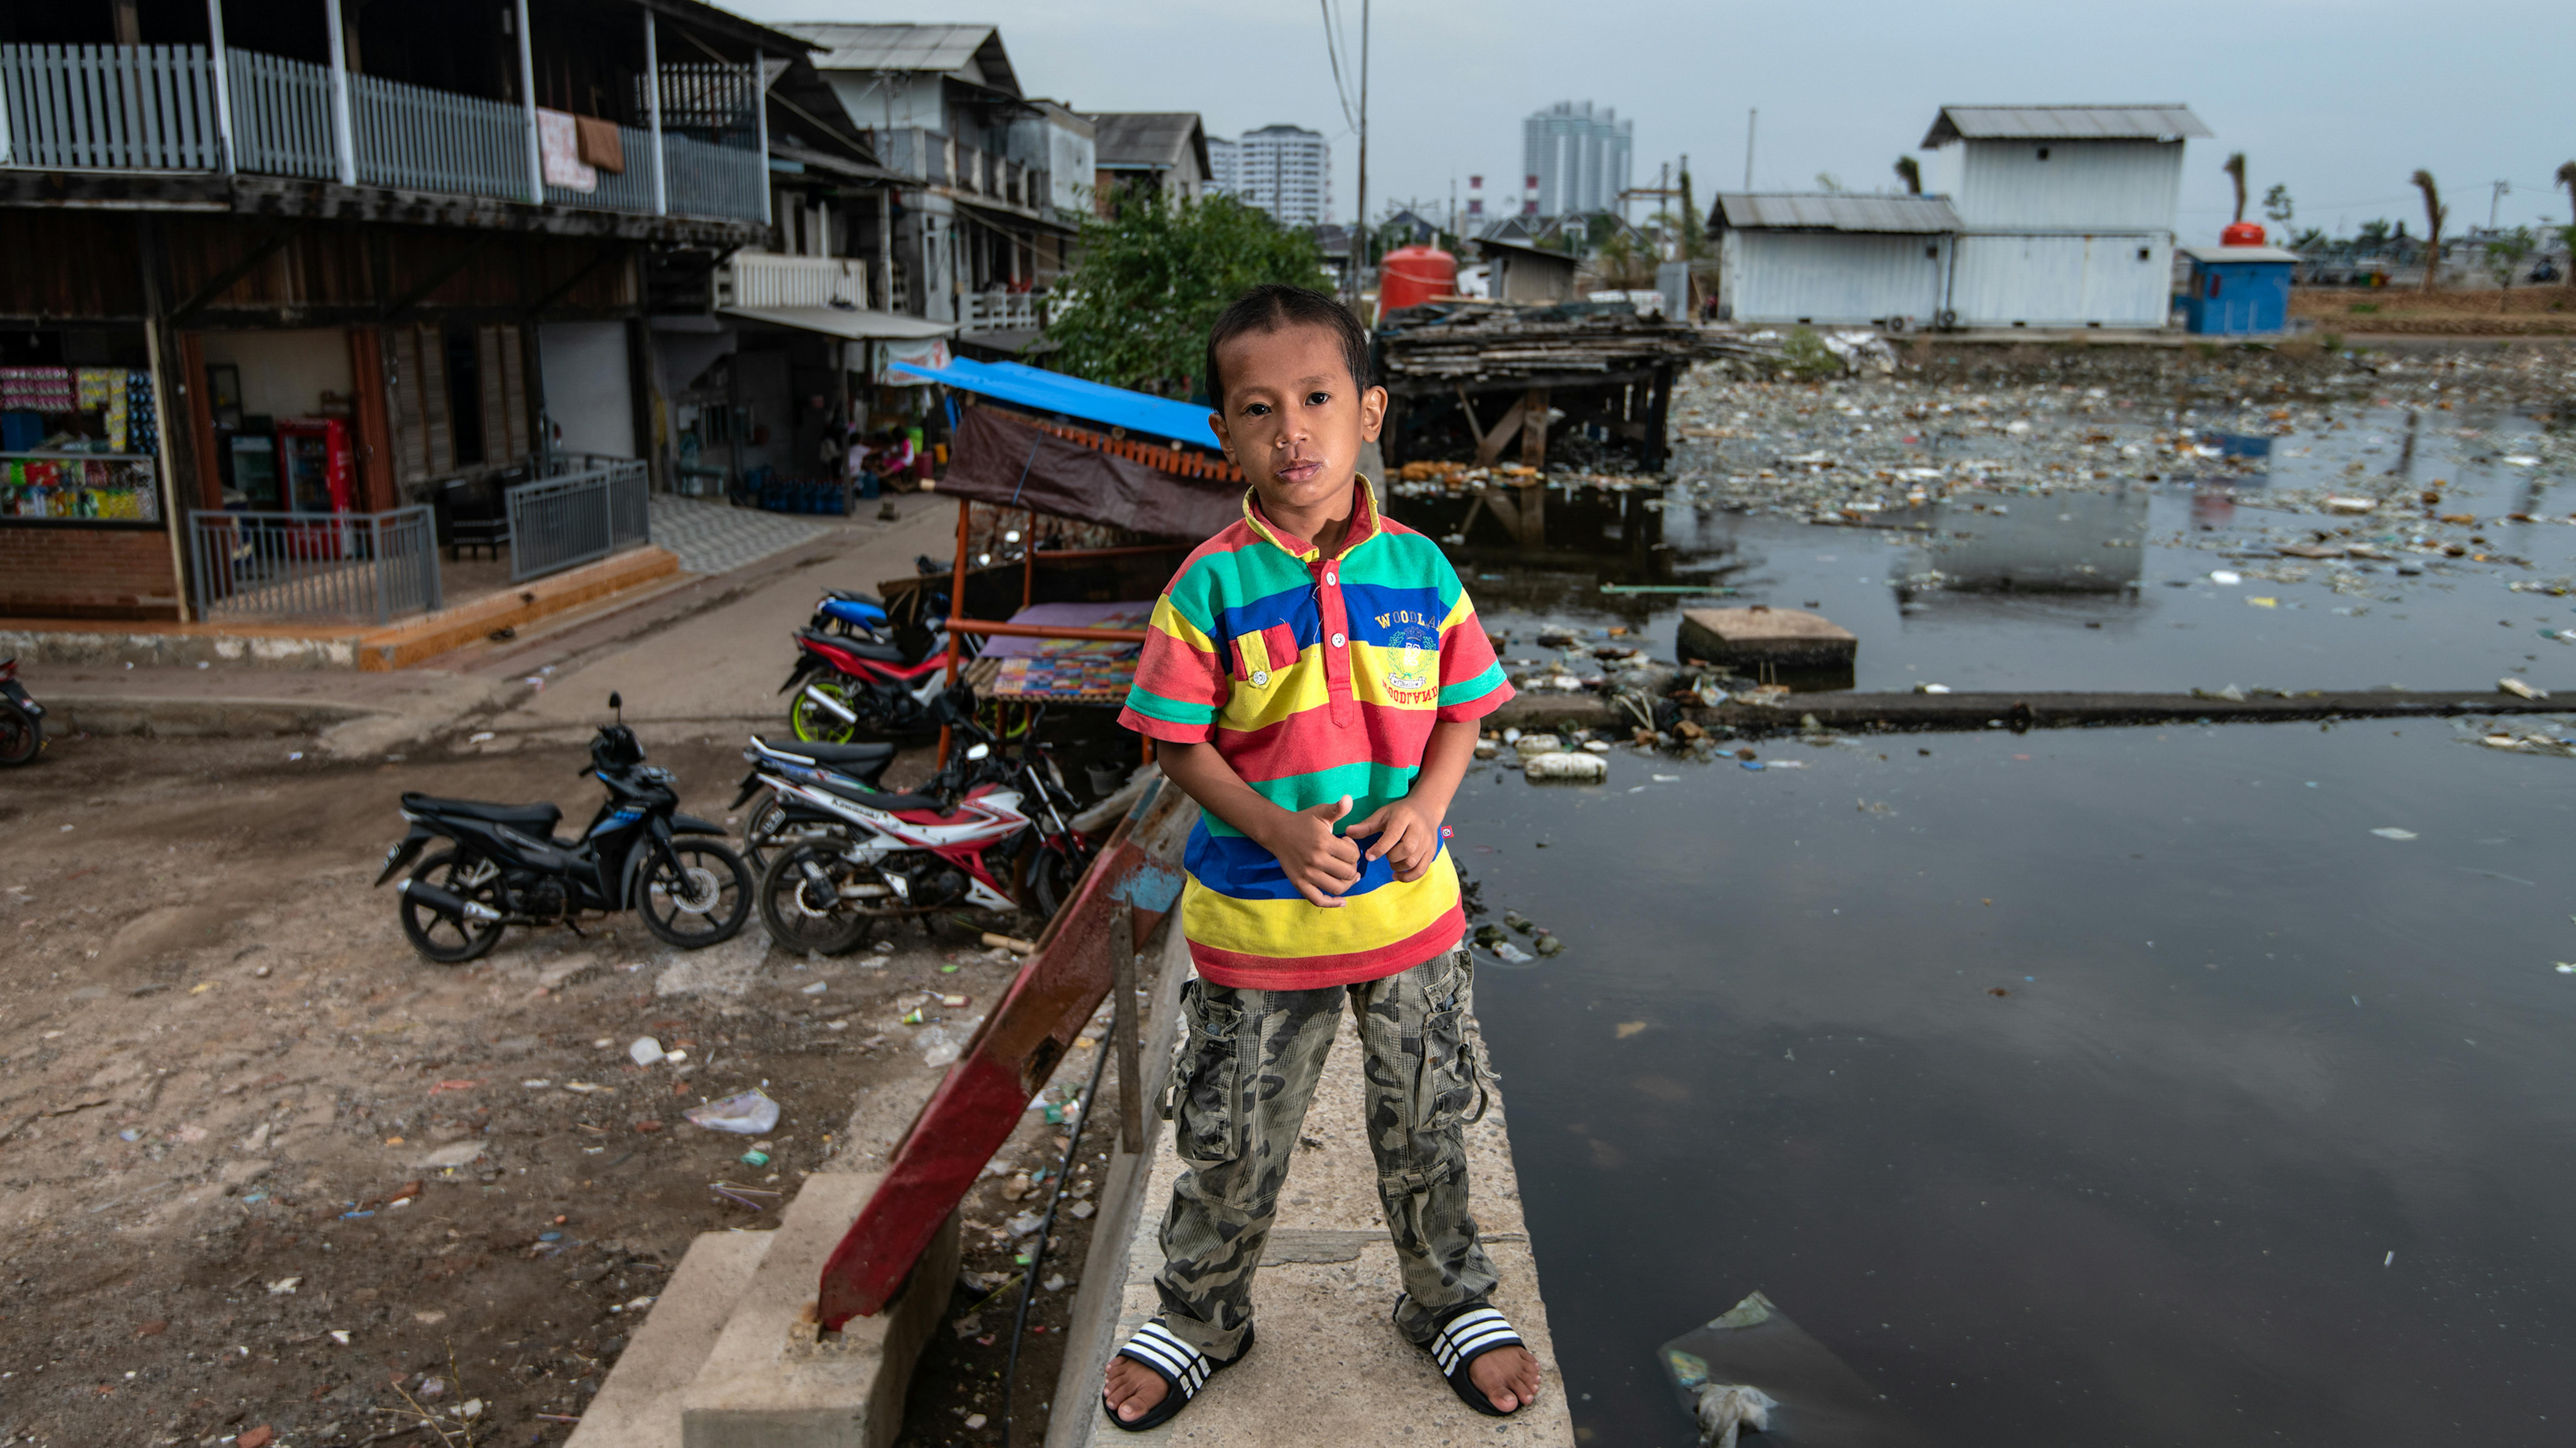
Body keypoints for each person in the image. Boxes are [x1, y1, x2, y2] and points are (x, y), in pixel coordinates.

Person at [1104, 283, 1543, 1430]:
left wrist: (1429, 809)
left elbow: (1462, 714)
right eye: (1259, 410)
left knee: (1427, 1116)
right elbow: (1176, 747)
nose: (1291, 431)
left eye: (1316, 400)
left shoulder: (1422, 571)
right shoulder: (1209, 588)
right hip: (1259, 926)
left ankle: (1447, 1298)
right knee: (1235, 1135)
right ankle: (1203, 1315)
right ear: (1225, 436)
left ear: (1371, 413)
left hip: (1409, 923)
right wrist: (1275, 828)